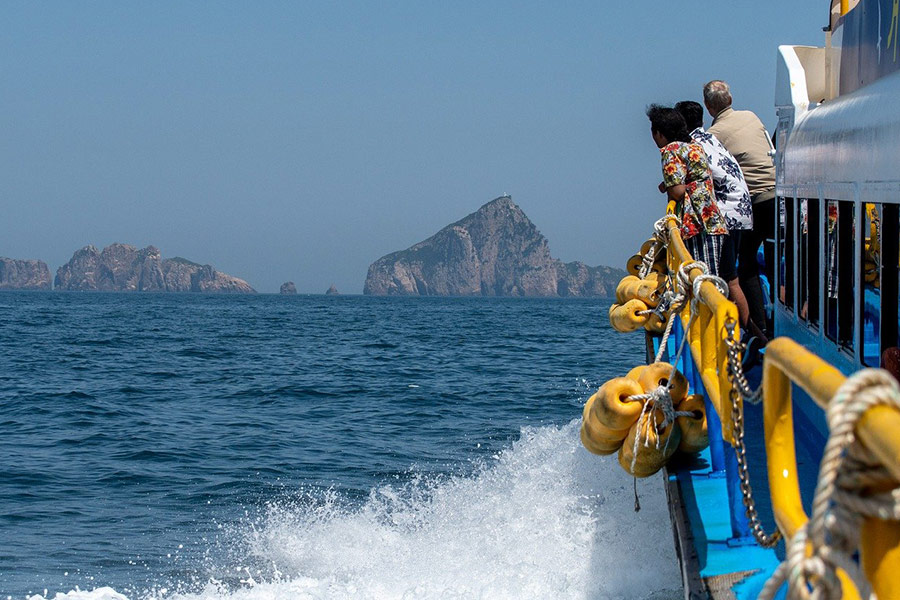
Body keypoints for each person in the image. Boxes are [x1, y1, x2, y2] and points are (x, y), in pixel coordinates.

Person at [646, 105, 752, 324]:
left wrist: (670, 186)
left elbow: (677, 190)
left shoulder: (670, 151)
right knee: (720, 280)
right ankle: (736, 331)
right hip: (714, 221)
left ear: (659, 133)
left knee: (700, 281)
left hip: (694, 223)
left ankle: (711, 330)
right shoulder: (694, 148)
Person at [675, 100, 766, 342]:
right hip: (742, 211)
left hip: (724, 216)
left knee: (726, 278)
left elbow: (694, 181)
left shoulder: (691, 146)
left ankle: (748, 334)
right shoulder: (710, 139)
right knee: (733, 274)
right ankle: (753, 331)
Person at [704, 80, 776, 337]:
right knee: (778, 259)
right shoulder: (751, 116)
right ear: (731, 100)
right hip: (778, 194)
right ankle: (787, 316)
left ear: (709, 107)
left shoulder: (714, 135)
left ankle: (760, 328)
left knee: (745, 265)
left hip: (754, 201)